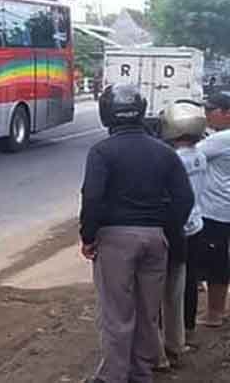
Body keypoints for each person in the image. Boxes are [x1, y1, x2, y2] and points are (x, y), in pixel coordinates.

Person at [80, 84, 194, 383]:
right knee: (147, 312)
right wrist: (165, 230)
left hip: (115, 240)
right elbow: (184, 199)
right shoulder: (164, 151)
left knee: (117, 313)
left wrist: (88, 237)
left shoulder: (102, 151)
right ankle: (141, 373)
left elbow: (92, 198)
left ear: (107, 114)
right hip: (156, 239)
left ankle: (114, 376)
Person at [155, 100, 208, 370]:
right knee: (189, 281)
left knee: (169, 285)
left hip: (178, 227)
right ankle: (186, 330)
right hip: (197, 224)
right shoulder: (199, 154)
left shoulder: (172, 158)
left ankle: (165, 335)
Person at [195, 91, 230, 327]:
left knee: (216, 262)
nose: (206, 115)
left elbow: (185, 155)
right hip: (223, 208)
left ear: (227, 113)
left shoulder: (220, 140)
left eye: (211, 110)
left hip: (217, 211)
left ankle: (214, 314)